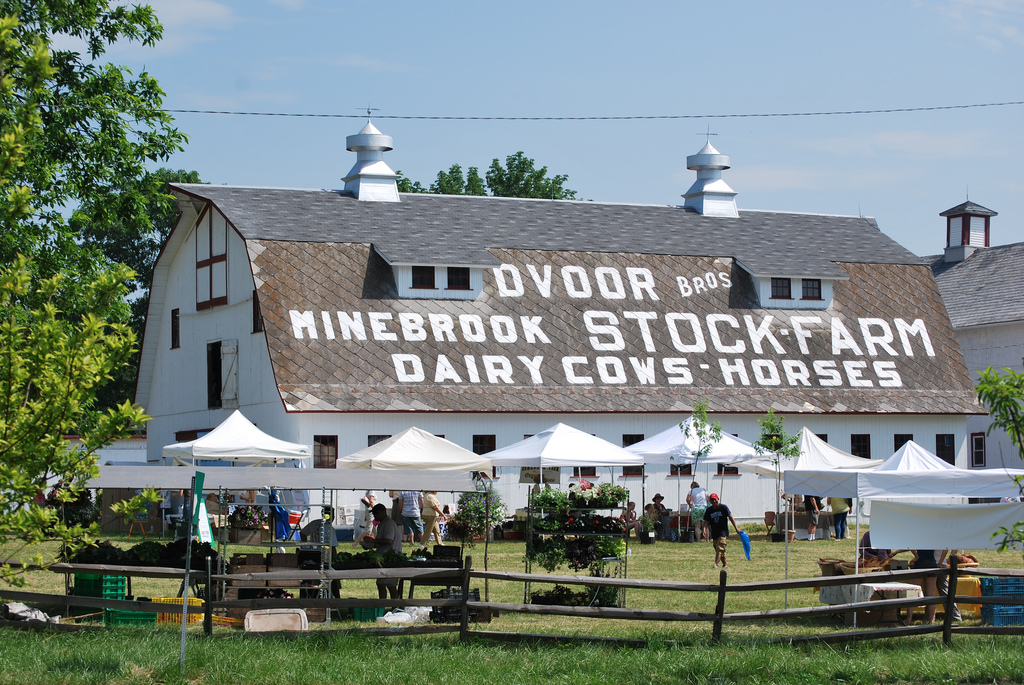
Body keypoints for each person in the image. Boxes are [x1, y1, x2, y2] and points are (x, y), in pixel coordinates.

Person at [363, 503, 402, 600]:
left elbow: (389, 540)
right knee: (382, 585)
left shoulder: (388, 523)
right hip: (384, 559)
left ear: (384, 512)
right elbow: (381, 541)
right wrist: (370, 544)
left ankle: (393, 606)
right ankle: (384, 605)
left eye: (377, 513)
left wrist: (373, 541)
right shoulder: (382, 524)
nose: (375, 516)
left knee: (390, 586)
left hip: (390, 560)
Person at [703, 493, 740, 569]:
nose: (714, 501)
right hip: (714, 532)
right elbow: (706, 522)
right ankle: (725, 565)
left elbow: (731, 518)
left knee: (720, 548)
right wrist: (704, 530)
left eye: (715, 499)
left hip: (723, 532)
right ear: (710, 501)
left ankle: (716, 564)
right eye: (712, 500)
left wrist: (736, 528)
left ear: (718, 499)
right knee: (718, 549)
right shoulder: (709, 510)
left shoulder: (723, 507)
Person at [906, 549, 941, 624]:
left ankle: (908, 619)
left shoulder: (919, 538)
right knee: (931, 593)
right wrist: (940, 562)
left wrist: (916, 556)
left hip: (920, 563)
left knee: (912, 592)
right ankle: (932, 620)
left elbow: (910, 546)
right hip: (932, 562)